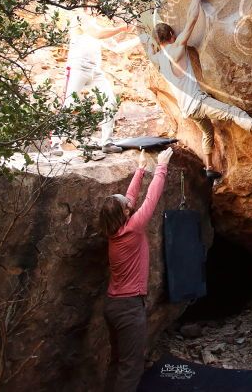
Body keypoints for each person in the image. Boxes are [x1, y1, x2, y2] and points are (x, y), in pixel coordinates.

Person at [143, 0, 252, 179]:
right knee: (234, 113)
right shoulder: (177, 48)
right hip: (198, 103)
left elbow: (150, 52)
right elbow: (191, 19)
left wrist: (147, 39)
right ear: (172, 35)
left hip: (186, 110)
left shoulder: (158, 60)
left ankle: (208, 167)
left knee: (207, 132)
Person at [100, 146, 174, 392]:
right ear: (125, 213)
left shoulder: (115, 229)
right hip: (128, 307)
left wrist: (140, 169)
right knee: (131, 367)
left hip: (113, 304)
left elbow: (129, 199)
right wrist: (161, 167)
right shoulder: (132, 230)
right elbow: (150, 200)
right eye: (126, 204)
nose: (128, 200)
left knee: (118, 361)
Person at [51, 10, 137, 157]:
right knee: (69, 103)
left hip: (95, 71)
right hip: (77, 68)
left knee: (110, 101)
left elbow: (117, 48)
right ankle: (56, 142)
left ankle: (107, 142)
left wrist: (141, 38)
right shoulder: (79, 17)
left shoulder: (96, 26)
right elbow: (97, 33)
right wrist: (123, 27)